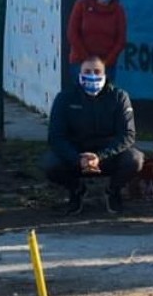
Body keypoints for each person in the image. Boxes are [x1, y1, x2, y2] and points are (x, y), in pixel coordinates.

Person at [42, 55, 145, 215]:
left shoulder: (119, 97)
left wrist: (100, 156)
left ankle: (112, 191)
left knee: (135, 159)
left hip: (107, 156)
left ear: (105, 74)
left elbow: (128, 135)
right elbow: (55, 136)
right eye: (87, 71)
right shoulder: (65, 98)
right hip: (76, 156)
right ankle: (76, 190)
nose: (92, 75)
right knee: (50, 163)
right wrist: (78, 159)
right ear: (79, 73)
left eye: (97, 71)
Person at [67, 0, 128, 82]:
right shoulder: (82, 5)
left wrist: (104, 63)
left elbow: (121, 41)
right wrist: (88, 61)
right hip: (80, 63)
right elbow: (72, 34)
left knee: (104, 98)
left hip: (107, 66)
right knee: (80, 97)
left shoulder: (119, 10)